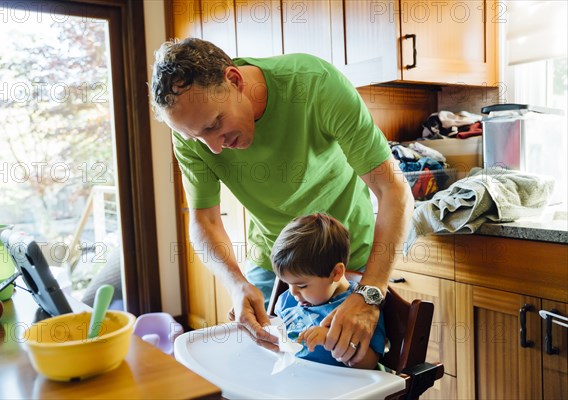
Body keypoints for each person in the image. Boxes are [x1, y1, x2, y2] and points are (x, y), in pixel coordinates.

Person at [150, 37, 413, 366]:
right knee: (256, 368)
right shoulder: (191, 127)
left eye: (215, 124)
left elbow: (394, 191)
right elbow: (204, 220)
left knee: (350, 371)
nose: (214, 148)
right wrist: (236, 284)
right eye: (198, 138)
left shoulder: (314, 85)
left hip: (344, 257)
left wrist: (370, 293)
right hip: (272, 261)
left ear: (234, 80)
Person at [272, 213, 386, 369]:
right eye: (287, 283)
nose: (293, 292)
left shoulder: (359, 309)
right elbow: (277, 333)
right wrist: (259, 322)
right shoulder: (289, 299)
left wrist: (331, 341)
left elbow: (369, 364)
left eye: (303, 285)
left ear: (336, 273)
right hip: (294, 378)